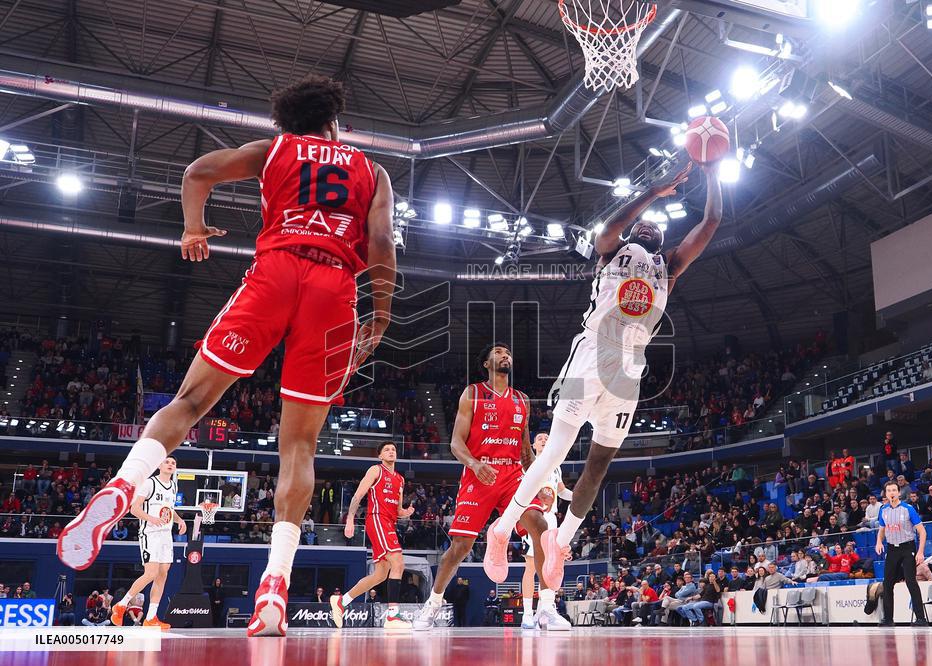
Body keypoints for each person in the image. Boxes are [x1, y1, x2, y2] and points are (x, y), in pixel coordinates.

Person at [57, 76, 397, 638]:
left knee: (190, 400)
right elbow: (381, 242)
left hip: (276, 272)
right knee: (300, 445)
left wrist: (193, 229)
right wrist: (379, 313)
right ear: (334, 123)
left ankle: (123, 485)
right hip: (335, 290)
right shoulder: (372, 171)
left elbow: (197, 174)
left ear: (288, 123)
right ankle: (274, 589)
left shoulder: (276, 150)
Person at [486, 161, 722, 593]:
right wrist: (653, 192)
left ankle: (561, 542)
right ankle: (502, 529)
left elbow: (711, 222)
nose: (649, 227)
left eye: (656, 227)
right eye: (643, 223)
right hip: (589, 353)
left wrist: (713, 170)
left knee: (598, 465)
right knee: (555, 451)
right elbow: (607, 230)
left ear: (662, 242)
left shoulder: (667, 267)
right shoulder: (613, 252)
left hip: (630, 370)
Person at [412, 345, 559, 631]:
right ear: (486, 363)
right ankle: (433, 603)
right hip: (479, 473)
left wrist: (539, 483)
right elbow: (455, 443)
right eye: (499, 352)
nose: (505, 355)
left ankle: (546, 607)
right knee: (460, 547)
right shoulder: (472, 393)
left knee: (540, 525)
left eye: (508, 352)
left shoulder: (522, 400)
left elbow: (526, 452)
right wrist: (475, 464)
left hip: (512, 474)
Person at [331, 442, 415, 631]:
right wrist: (350, 519)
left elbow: (398, 510)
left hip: (389, 522)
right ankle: (393, 616)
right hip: (377, 519)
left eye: (393, 449)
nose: (391, 451)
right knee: (398, 563)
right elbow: (358, 495)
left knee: (379, 575)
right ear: (380, 456)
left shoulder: (400, 480)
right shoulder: (375, 470)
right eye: (387, 449)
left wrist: (406, 512)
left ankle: (341, 602)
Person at [109, 456, 185, 631]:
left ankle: (151, 618)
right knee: (151, 573)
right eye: (167, 462)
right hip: (150, 533)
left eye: (173, 462)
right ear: (159, 465)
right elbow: (134, 509)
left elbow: (170, 511)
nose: (171, 464)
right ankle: (121, 604)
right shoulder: (149, 483)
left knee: (163, 573)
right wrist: (151, 519)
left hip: (166, 534)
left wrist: (180, 520)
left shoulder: (173, 486)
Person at [519, 432, 573, 629]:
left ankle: (545, 610)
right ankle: (526, 613)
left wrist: (580, 497)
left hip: (552, 519)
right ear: (533, 445)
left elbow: (562, 492)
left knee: (550, 566)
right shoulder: (528, 463)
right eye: (540, 438)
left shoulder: (556, 466)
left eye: (547, 438)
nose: (544, 440)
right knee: (532, 566)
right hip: (534, 515)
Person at [875, 480, 928, 626]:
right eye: (889, 490)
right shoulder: (883, 510)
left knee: (911, 581)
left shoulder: (908, 509)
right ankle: (888, 619)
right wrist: (879, 542)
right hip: (892, 549)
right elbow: (881, 530)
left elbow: (922, 532)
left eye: (894, 490)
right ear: (886, 494)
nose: (891, 493)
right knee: (887, 584)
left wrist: (920, 552)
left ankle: (921, 618)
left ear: (899, 492)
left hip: (907, 548)